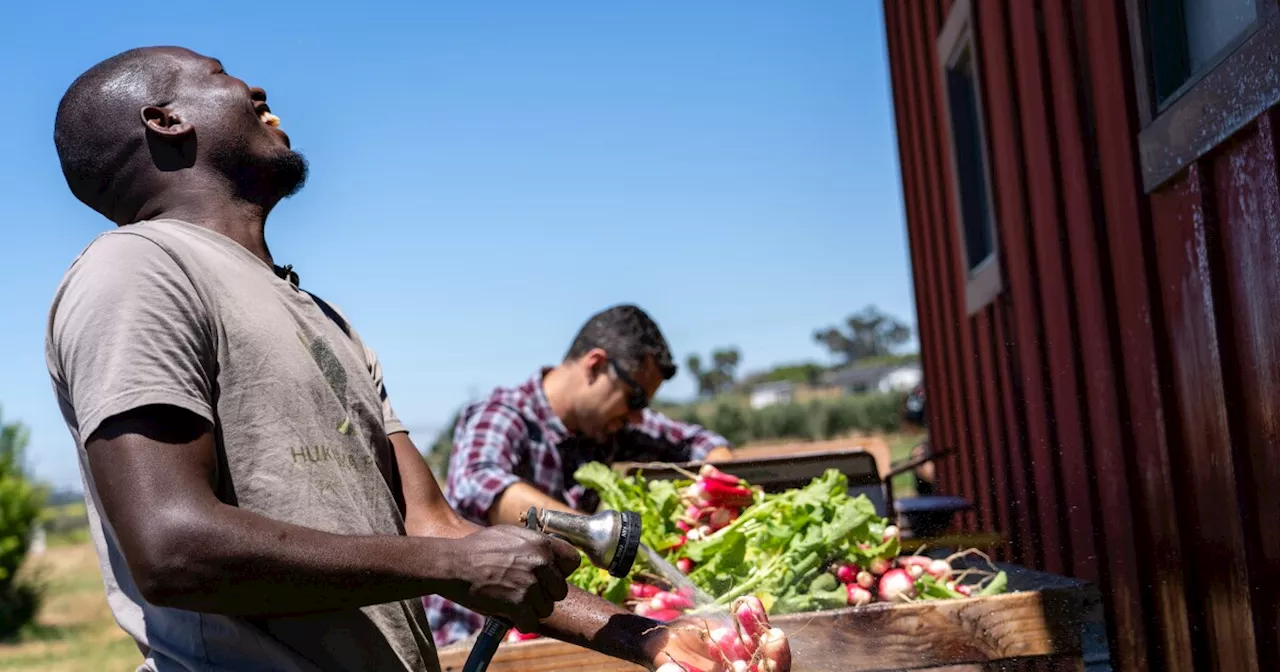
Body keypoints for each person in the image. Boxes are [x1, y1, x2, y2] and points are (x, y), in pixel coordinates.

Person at [46, 46, 740, 672]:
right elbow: (172, 547)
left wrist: (646, 639)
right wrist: (450, 564)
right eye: (222, 75)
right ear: (167, 121)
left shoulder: (324, 317)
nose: (256, 87)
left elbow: (433, 526)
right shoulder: (136, 272)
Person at [425, 304, 734, 646]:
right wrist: (596, 535)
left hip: (549, 627)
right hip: (471, 635)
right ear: (596, 365)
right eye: (634, 398)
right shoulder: (504, 414)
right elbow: (479, 483)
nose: (636, 417)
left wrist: (723, 490)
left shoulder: (606, 427)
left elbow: (701, 443)